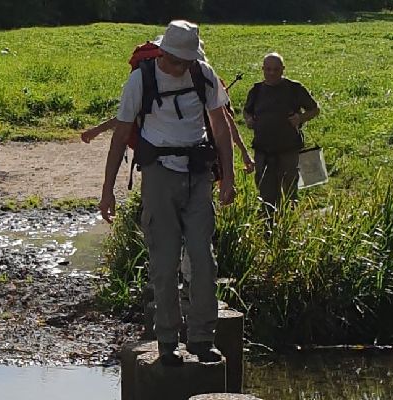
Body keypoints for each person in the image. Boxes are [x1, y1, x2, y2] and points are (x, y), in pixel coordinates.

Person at [97, 20, 240, 366]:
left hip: (198, 175)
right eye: (178, 61)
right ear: (163, 52)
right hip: (159, 176)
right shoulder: (140, 81)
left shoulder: (203, 74)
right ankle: (167, 342)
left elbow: (220, 127)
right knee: (163, 264)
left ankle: (203, 338)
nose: (182, 67)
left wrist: (229, 176)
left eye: (187, 61)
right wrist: (107, 191)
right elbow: (120, 136)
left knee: (202, 260)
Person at [242, 53, 320, 214]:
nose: (272, 73)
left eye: (276, 69)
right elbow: (246, 111)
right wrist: (249, 120)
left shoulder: (294, 88)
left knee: (290, 193)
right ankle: (268, 225)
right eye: (268, 69)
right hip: (263, 152)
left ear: (283, 69)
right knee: (266, 193)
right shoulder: (256, 90)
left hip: (289, 150)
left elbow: (314, 109)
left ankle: (288, 225)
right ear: (263, 69)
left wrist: (300, 118)